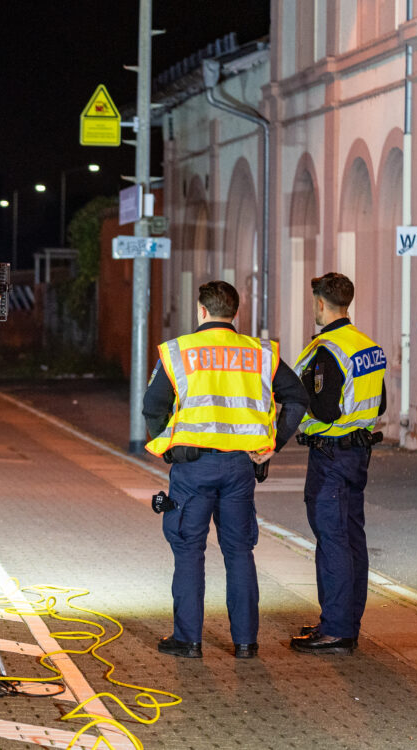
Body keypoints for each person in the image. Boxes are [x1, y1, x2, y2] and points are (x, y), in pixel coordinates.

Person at [143, 280, 308, 659]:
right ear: (236, 313)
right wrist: (272, 445)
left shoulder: (179, 352)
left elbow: (153, 407)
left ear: (201, 310)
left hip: (193, 468)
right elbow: (297, 397)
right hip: (240, 467)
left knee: (189, 549)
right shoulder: (259, 353)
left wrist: (169, 449)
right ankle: (246, 643)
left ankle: (188, 640)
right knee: (239, 551)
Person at [289, 273, 386, 655]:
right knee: (351, 538)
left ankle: (335, 631)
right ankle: (345, 621)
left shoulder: (327, 349)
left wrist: (299, 396)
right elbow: (380, 404)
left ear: (320, 303)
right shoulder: (366, 347)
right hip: (358, 453)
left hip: (329, 456)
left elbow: (326, 409)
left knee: (332, 541)